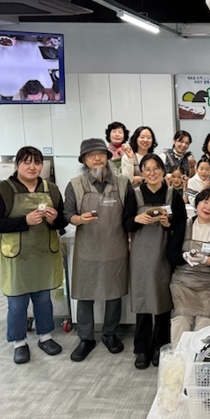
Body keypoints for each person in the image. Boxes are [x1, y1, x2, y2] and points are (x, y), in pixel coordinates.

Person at [0, 146, 67, 364]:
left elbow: (62, 221)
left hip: (43, 253)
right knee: (17, 301)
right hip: (16, 256)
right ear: (17, 165)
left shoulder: (51, 189)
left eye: (37, 162)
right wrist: (24, 221)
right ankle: (18, 342)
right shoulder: (3, 190)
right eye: (27, 162)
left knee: (43, 298)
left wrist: (54, 220)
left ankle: (45, 336)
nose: (32, 167)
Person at [64, 138, 133, 362]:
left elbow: (130, 216)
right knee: (85, 294)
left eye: (101, 154)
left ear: (108, 157)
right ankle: (85, 338)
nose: (97, 158)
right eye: (90, 155)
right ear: (84, 160)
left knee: (114, 293)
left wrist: (131, 239)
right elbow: (67, 214)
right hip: (87, 249)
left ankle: (110, 334)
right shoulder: (75, 184)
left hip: (116, 247)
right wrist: (78, 219)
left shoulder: (122, 182)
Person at [124, 154, 187, 369]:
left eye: (156, 168)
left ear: (163, 171)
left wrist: (169, 223)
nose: (152, 173)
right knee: (142, 301)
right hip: (140, 256)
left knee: (162, 301)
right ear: (142, 173)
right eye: (147, 169)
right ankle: (141, 348)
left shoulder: (172, 194)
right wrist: (136, 219)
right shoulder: (134, 194)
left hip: (163, 254)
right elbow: (125, 223)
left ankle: (161, 346)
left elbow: (182, 224)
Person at [167, 188, 210, 344]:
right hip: (184, 283)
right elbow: (171, 254)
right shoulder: (183, 226)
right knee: (181, 318)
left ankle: (199, 356)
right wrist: (183, 257)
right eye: (205, 202)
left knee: (204, 321)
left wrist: (207, 260)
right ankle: (178, 356)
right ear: (197, 205)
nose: (208, 207)